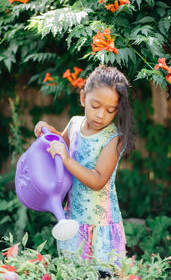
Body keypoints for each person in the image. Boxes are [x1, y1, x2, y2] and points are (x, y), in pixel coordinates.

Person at [34, 65, 134, 269]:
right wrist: (46, 132)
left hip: (100, 223)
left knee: (101, 272)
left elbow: (98, 180)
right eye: (95, 105)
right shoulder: (74, 124)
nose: (100, 115)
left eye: (110, 110)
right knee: (76, 270)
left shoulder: (113, 139)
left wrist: (68, 160)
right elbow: (59, 148)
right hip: (74, 217)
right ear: (83, 98)